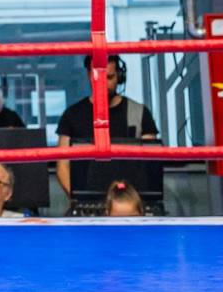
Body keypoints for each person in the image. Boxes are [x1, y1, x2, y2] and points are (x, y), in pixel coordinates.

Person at [55, 56, 158, 198]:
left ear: (119, 77)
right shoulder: (72, 115)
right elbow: (62, 167)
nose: (103, 84)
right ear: (89, 75)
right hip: (87, 198)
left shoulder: (139, 113)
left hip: (129, 203)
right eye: (99, 78)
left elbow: (151, 167)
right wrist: (78, 199)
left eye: (109, 77)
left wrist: (136, 203)